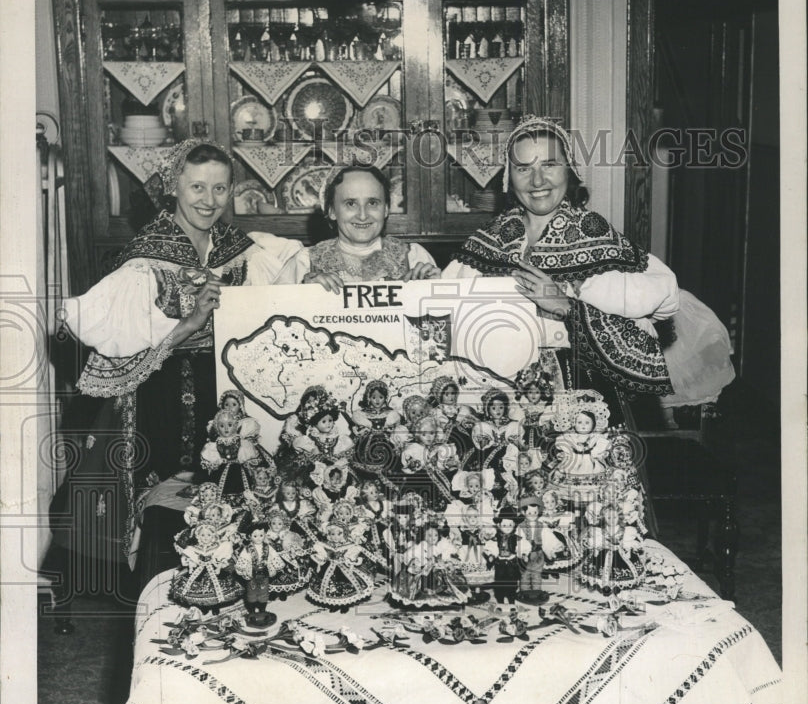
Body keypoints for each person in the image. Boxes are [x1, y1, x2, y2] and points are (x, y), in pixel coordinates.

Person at [57, 140, 303, 560]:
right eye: (197, 188)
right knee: (171, 518)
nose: (209, 201)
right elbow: (116, 347)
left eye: (220, 189)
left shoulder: (240, 251)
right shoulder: (145, 262)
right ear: (174, 188)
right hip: (162, 399)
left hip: (228, 389)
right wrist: (189, 324)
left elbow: (281, 306)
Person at [444, 116, 735, 406]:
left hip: (581, 395)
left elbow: (664, 299)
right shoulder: (491, 237)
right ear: (508, 176)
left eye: (549, 164)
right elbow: (448, 309)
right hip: (501, 395)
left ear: (568, 171)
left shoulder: (591, 231)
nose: (537, 181)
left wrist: (567, 301)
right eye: (523, 168)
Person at [276, 164, 440, 290]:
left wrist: (434, 291)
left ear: (386, 209)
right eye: (350, 203)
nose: (362, 215)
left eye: (373, 203)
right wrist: (301, 295)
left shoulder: (413, 257)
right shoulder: (305, 261)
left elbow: (445, 325)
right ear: (332, 211)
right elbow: (269, 316)